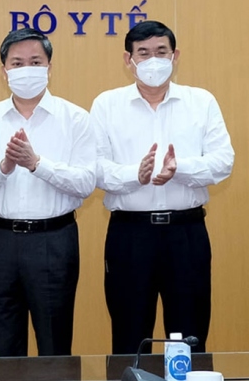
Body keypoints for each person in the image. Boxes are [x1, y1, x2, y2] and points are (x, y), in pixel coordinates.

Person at [90, 20, 233, 354]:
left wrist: (179, 169)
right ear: (128, 60)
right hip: (130, 235)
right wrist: (135, 175)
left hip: (186, 233)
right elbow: (94, 168)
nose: (152, 60)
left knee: (189, 335)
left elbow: (223, 160)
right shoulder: (106, 105)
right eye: (143, 53)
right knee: (129, 336)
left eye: (161, 52)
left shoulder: (201, 101)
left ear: (175, 56)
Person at [0, 28, 95, 357]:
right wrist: (4, 167)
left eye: (35, 62)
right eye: (17, 63)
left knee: (54, 344)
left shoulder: (75, 119)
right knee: (5, 345)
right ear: (4, 70)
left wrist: (36, 164)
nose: (26, 69)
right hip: (0, 241)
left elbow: (86, 183)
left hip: (54, 239)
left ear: (49, 67)